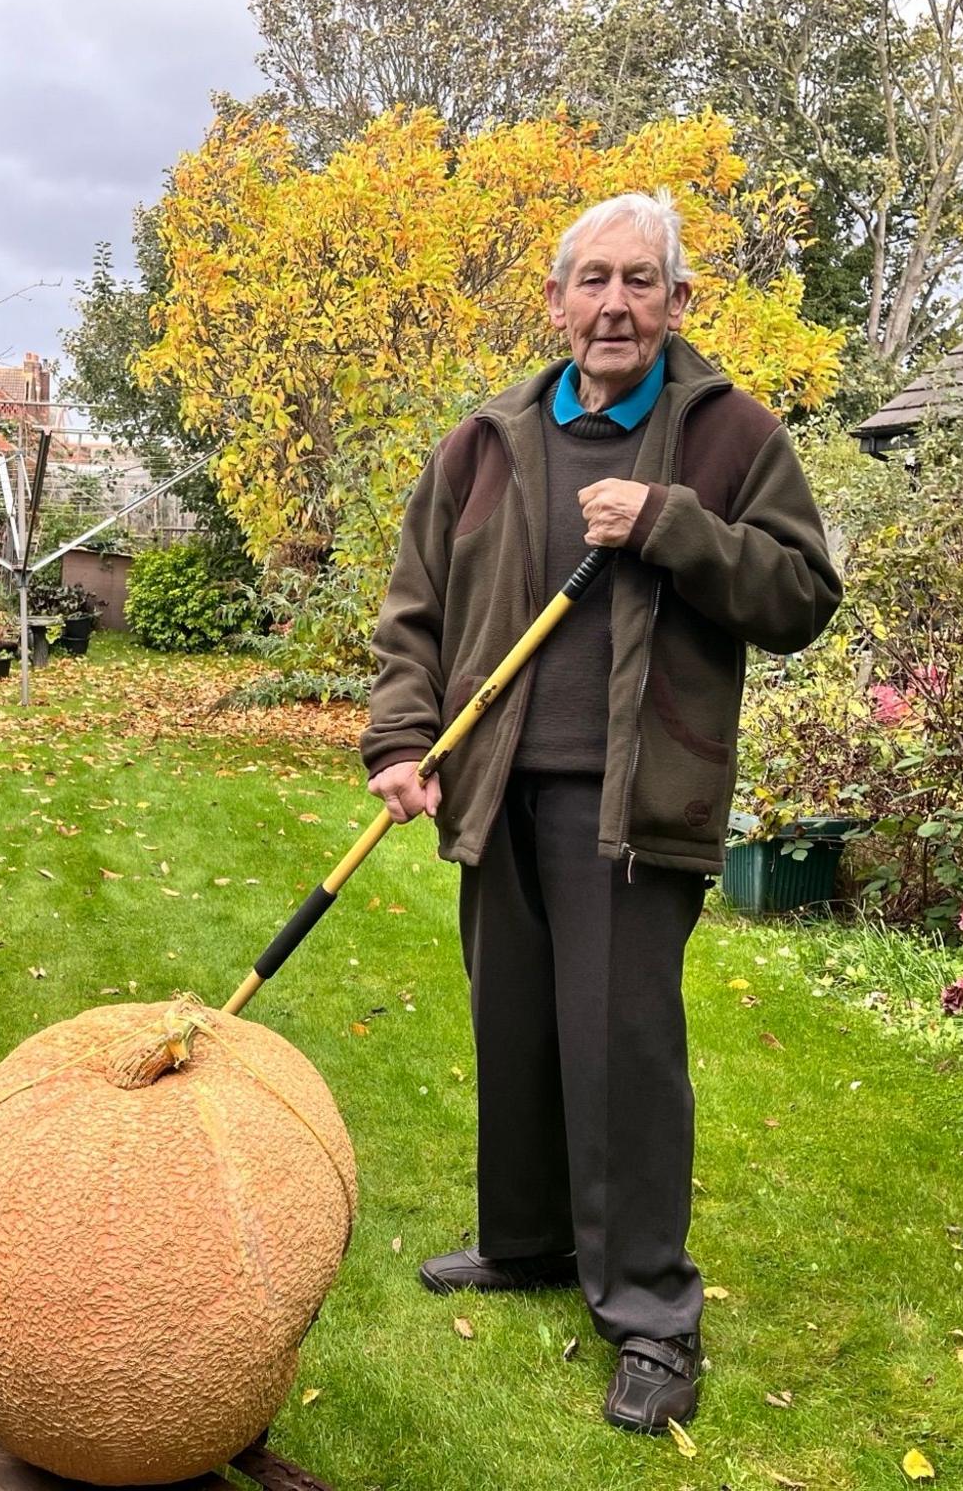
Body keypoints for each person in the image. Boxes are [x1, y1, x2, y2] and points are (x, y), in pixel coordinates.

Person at [360, 189, 841, 1433]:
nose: (614, 304)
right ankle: (525, 1240)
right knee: (513, 1024)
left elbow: (797, 597)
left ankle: (646, 1311)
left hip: (636, 802)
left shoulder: (730, 437)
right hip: (492, 789)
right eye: (592, 279)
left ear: (678, 302)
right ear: (556, 298)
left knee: (622, 1056)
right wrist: (401, 741)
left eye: (641, 281)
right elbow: (414, 608)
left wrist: (674, 527)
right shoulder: (484, 439)